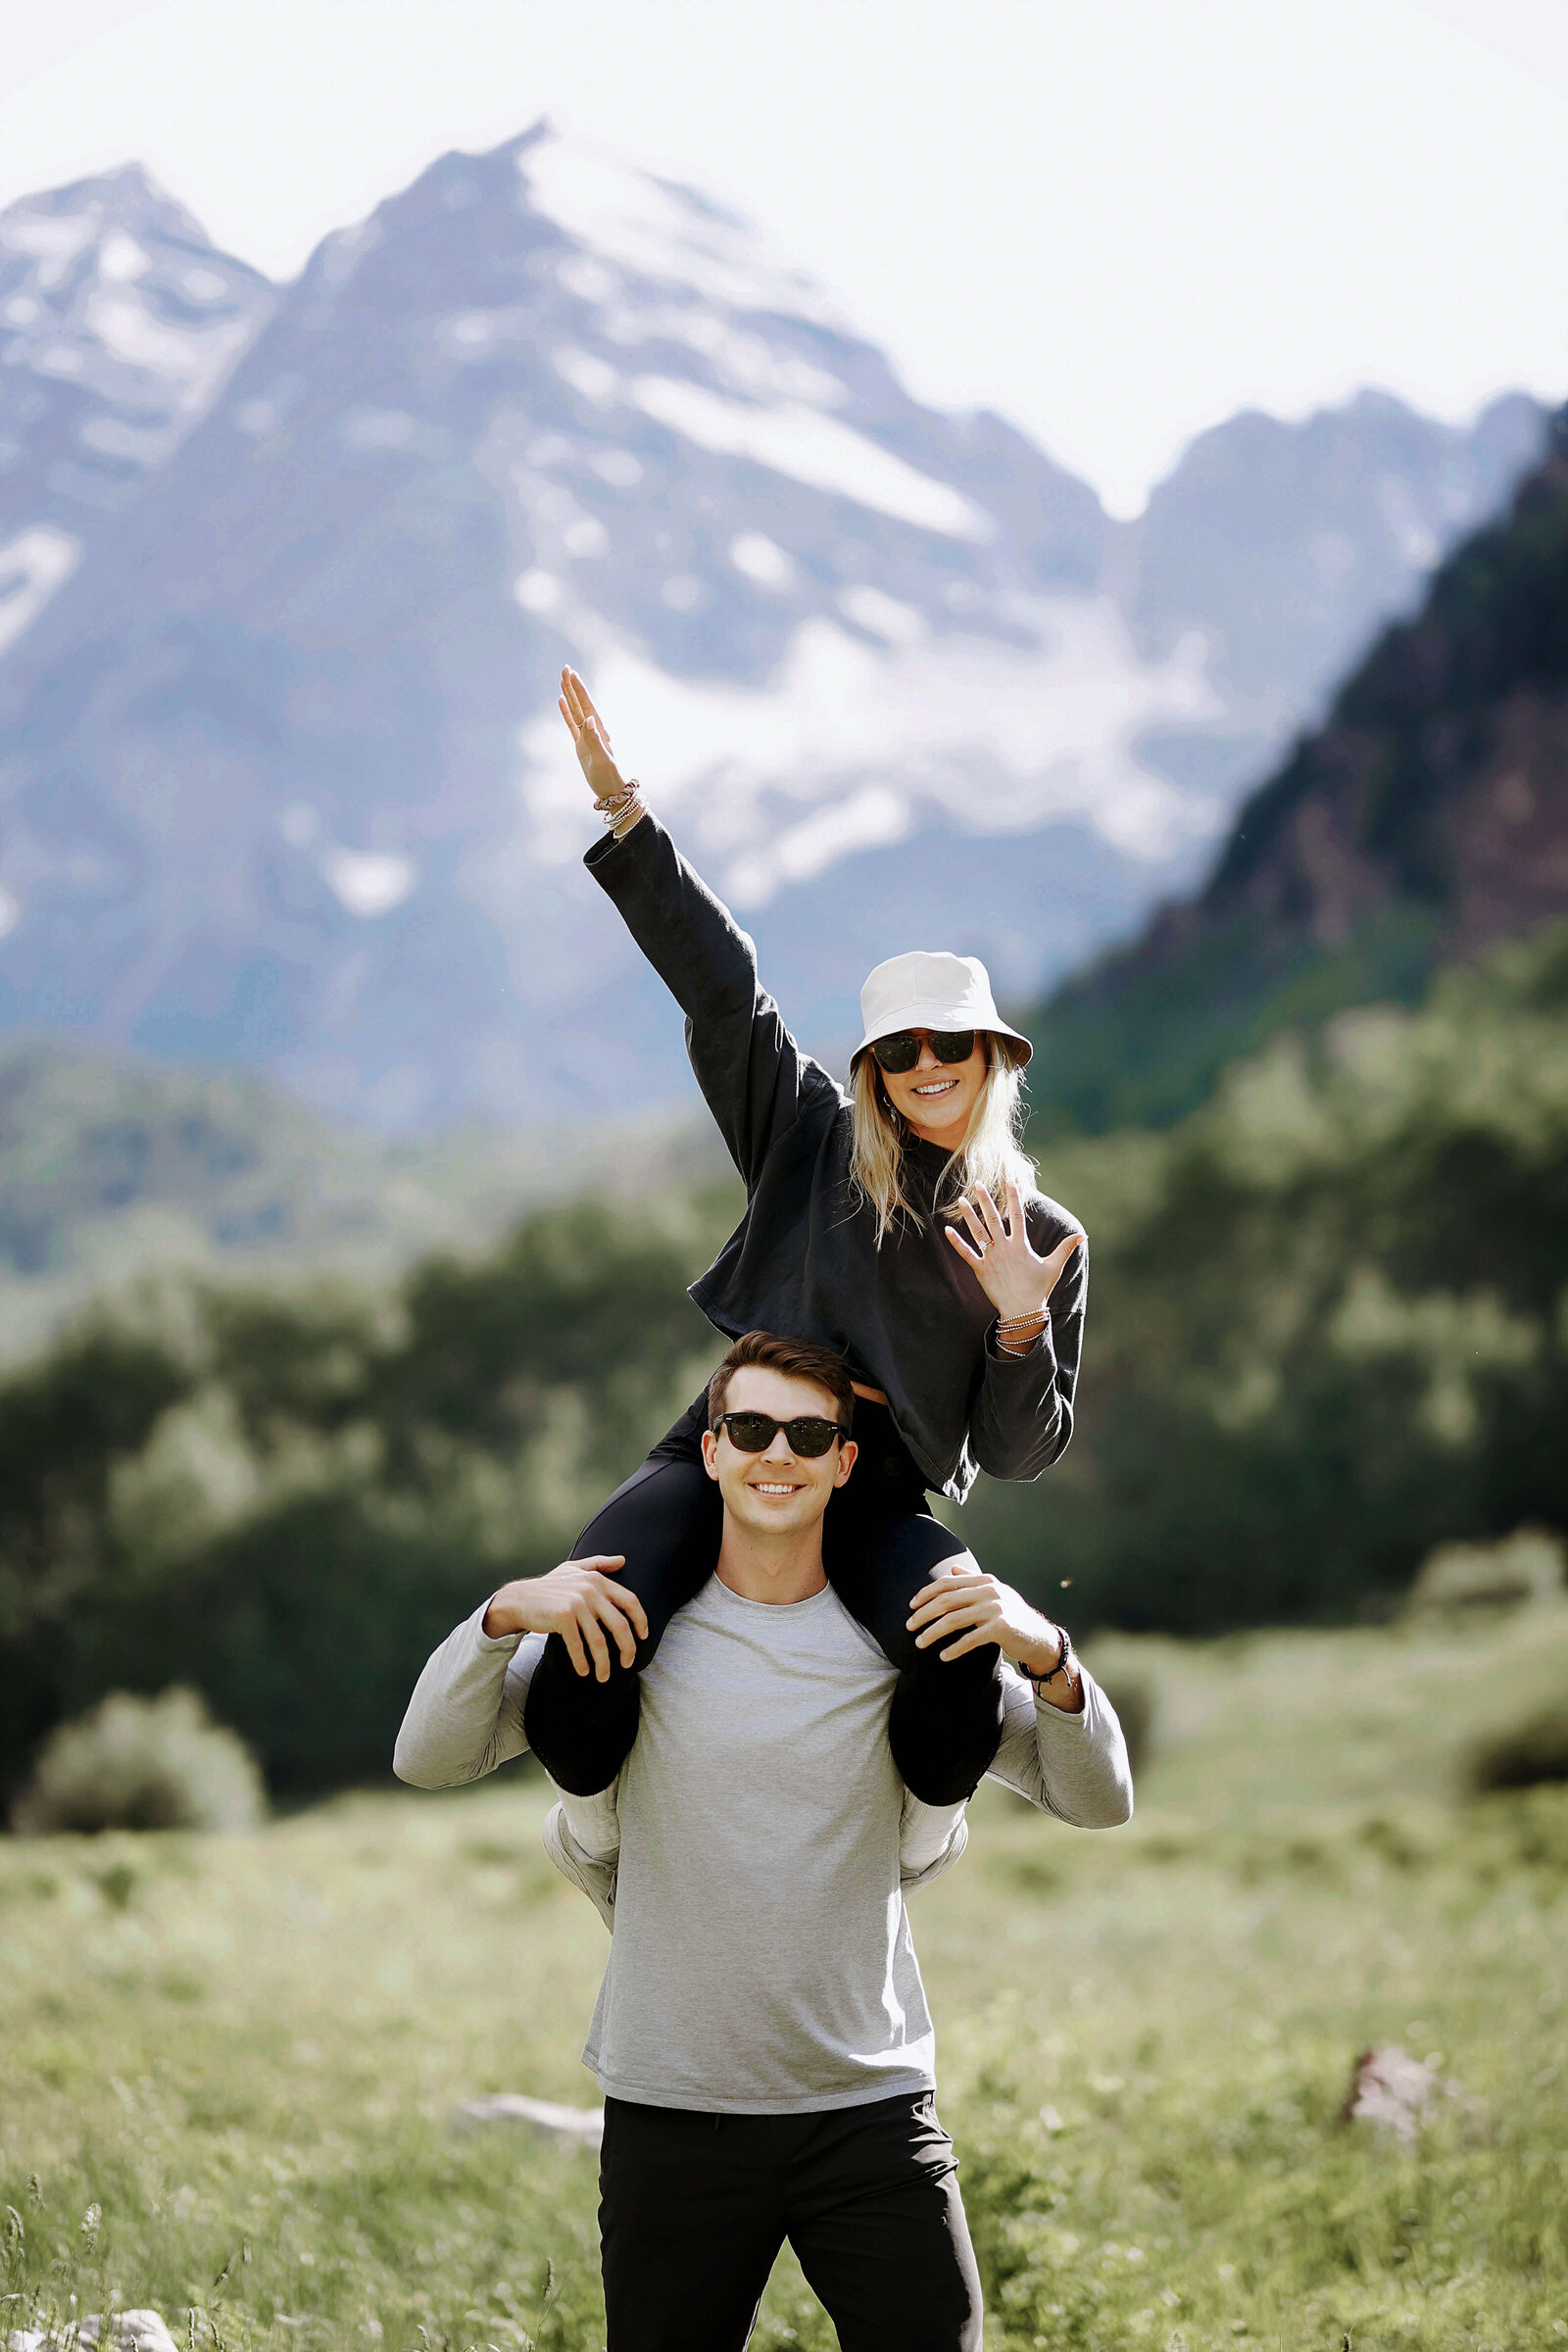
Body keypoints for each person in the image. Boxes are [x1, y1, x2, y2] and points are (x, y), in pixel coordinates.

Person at [396, 1329, 1133, 2352]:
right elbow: (426, 1758)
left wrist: (1046, 1652)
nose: (774, 1454)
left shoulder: (908, 1644)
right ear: (709, 1451)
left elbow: (1099, 1802)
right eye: (748, 1428)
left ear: (844, 1459)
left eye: (806, 1433)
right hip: (671, 2112)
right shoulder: (628, 1640)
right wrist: (501, 1614)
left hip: (870, 2110)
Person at [522, 667, 1088, 1819]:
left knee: (950, 1666)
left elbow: (1018, 1454)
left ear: (993, 1060)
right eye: (901, 1048)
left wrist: (1020, 1319)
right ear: (873, 1066)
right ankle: (616, 1814)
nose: (929, 1064)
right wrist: (628, 820)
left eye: (956, 1043)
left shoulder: (1041, 1237)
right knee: (597, 1609)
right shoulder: (813, 1139)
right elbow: (728, 999)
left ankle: (887, 1830)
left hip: (879, 1492)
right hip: (731, 1440)